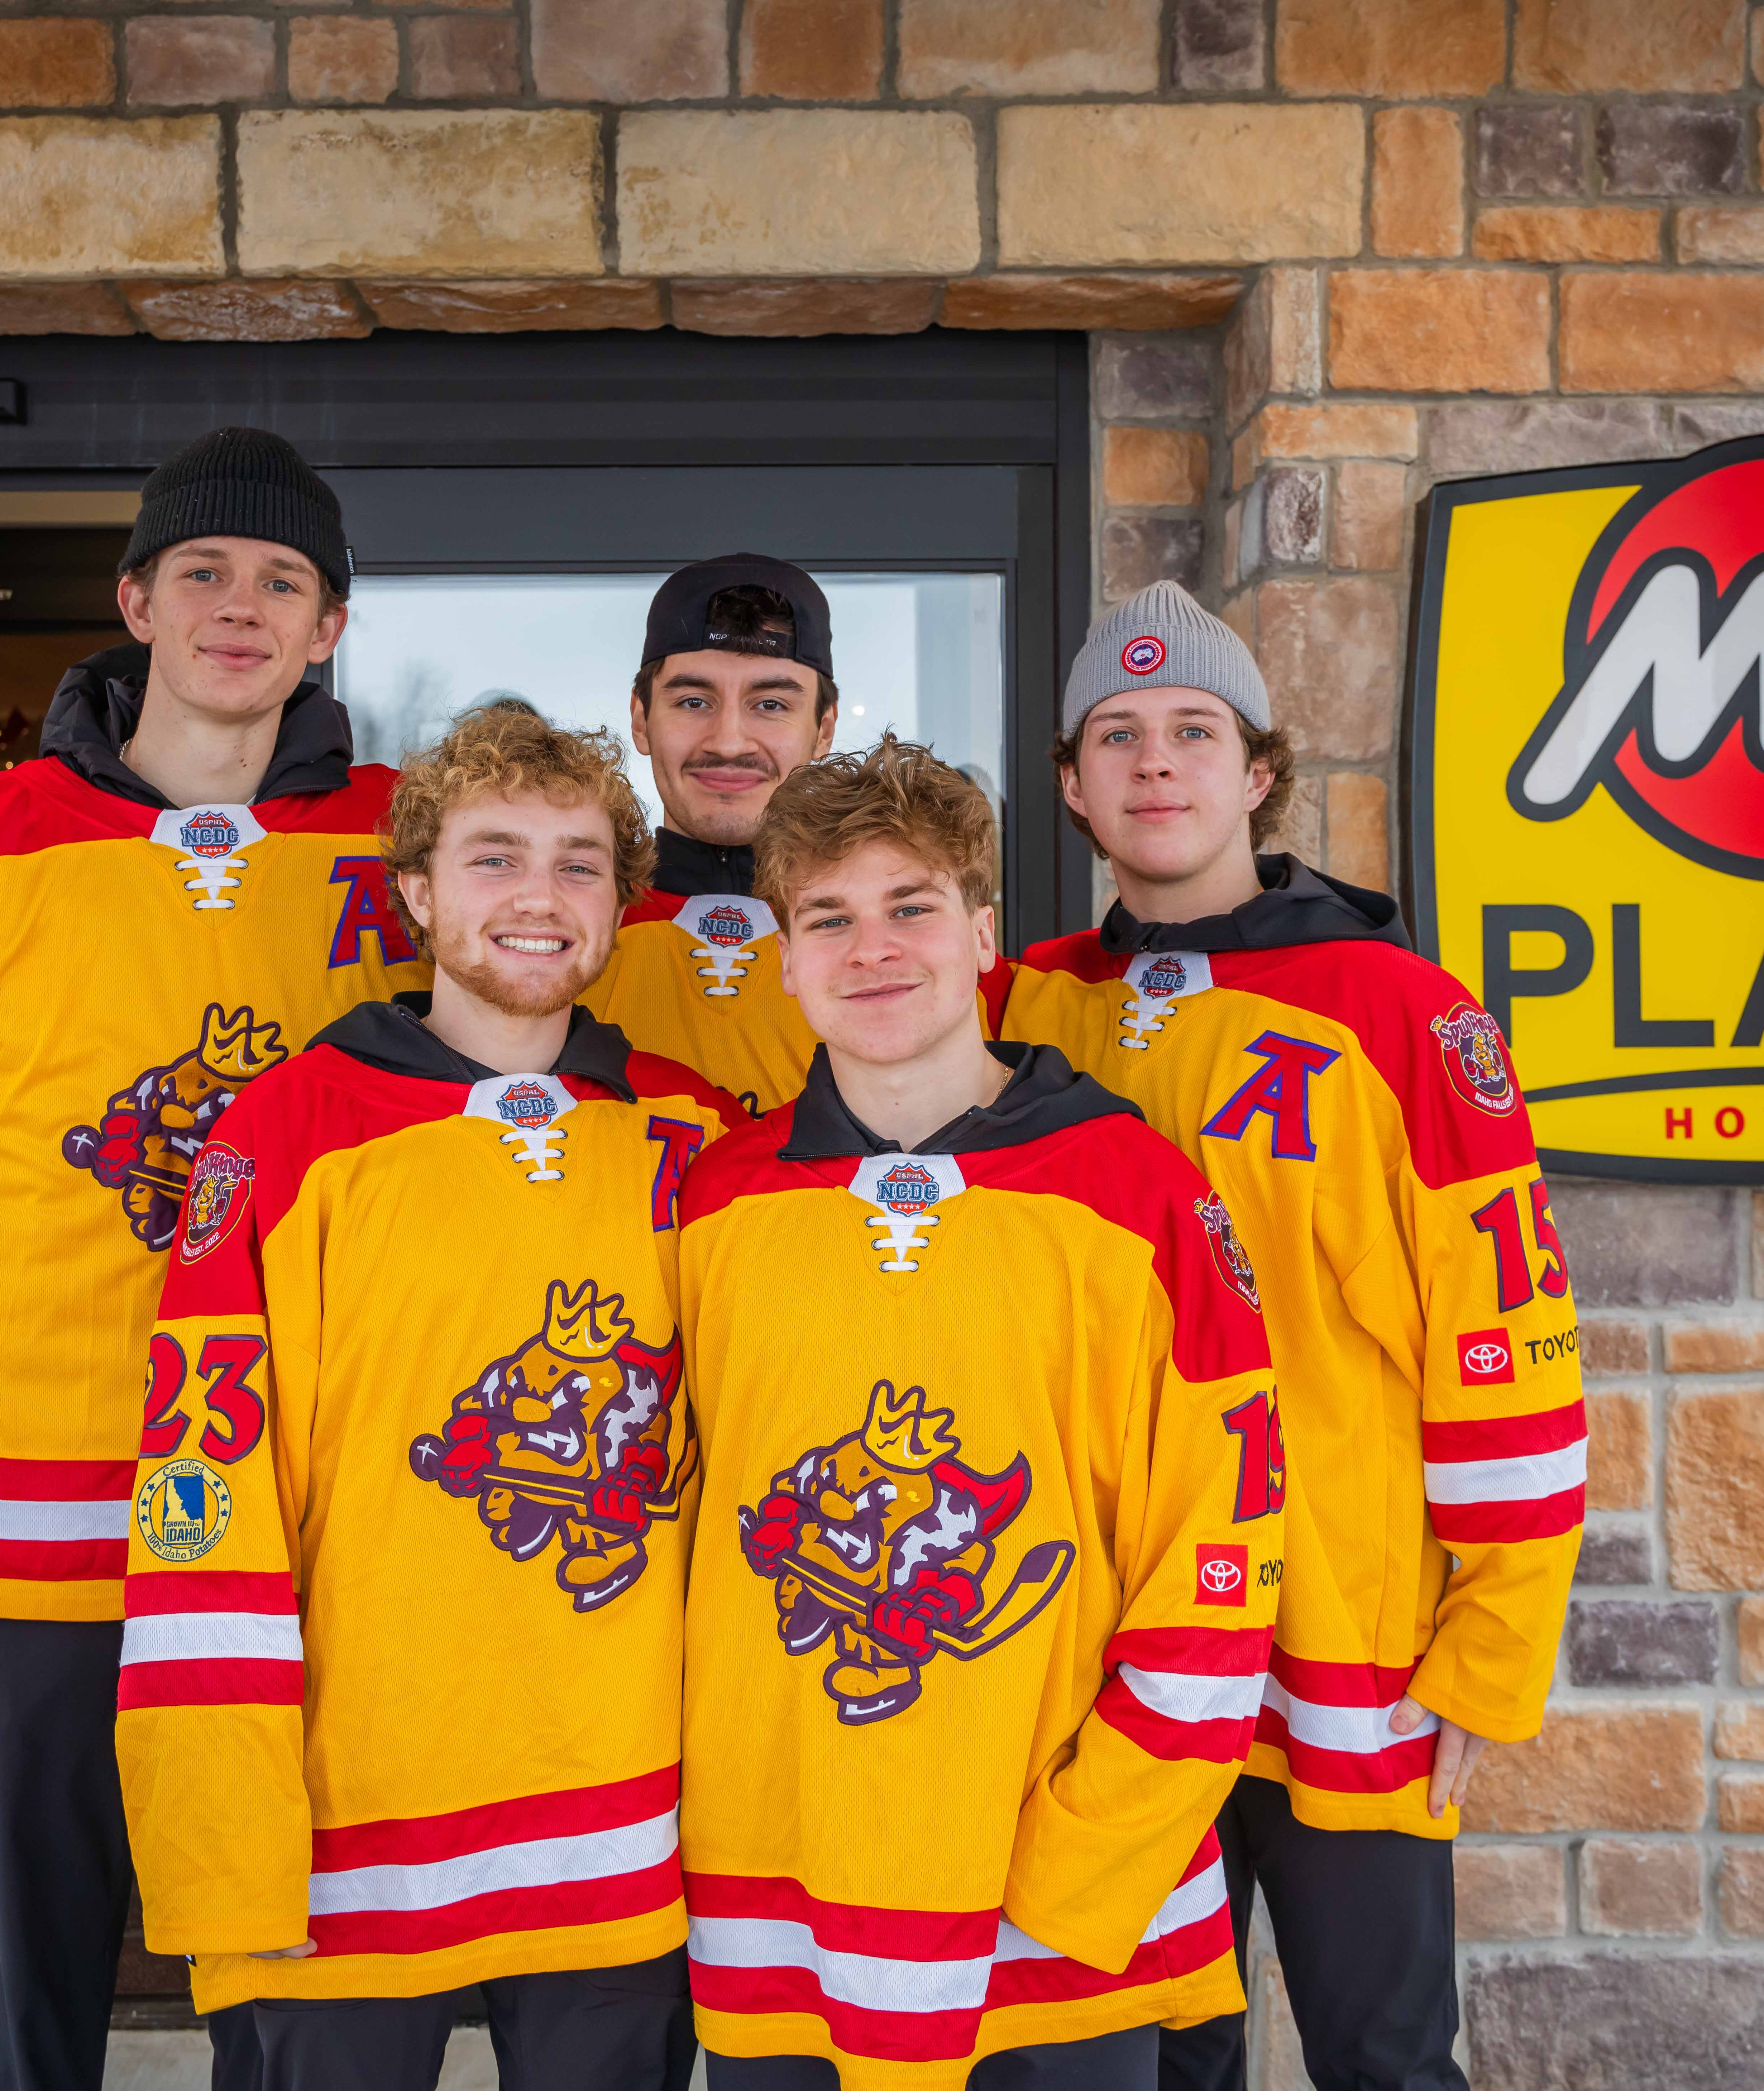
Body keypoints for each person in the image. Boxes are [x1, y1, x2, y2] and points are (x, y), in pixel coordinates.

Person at [0, 428, 430, 2091]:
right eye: (202, 570)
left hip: (297, 1486)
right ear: (135, 596)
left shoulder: (411, 848)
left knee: (287, 1932)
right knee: (35, 1956)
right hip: (15, 1486)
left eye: (283, 580)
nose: (239, 607)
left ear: (329, 625)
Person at [997, 582, 1587, 2091]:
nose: (1152, 765)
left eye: (1191, 731)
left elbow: (1505, 1328)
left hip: (1346, 1635)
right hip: (1112, 1641)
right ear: (1069, 787)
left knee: (1381, 2058)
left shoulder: (1397, 1009)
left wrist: (1491, 1639)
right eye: (1114, 737)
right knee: (1154, 2056)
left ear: (1254, 775)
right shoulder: (1022, 1007)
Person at [117, 704, 746, 2090]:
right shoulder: (282, 1131)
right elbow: (200, 1498)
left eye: (581, 862)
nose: (539, 896)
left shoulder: (697, 1139)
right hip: (355, 1821)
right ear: (415, 888)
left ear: (625, 903)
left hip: (622, 1822)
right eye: (494, 856)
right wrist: (227, 1843)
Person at [676, 738, 1280, 2090]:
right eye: (827, 916)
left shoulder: (1133, 1187)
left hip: (1059, 1898)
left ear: (984, 934)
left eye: (912, 907)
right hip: (781, 1898)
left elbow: (1224, 1540)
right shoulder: (713, 1201)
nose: (871, 947)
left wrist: (1095, 1849)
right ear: (782, 958)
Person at [588, 554, 842, 1116]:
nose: (729, 741)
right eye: (694, 702)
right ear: (640, 719)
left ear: (823, 729)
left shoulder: (885, 940)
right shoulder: (564, 925)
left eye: (771, 704)